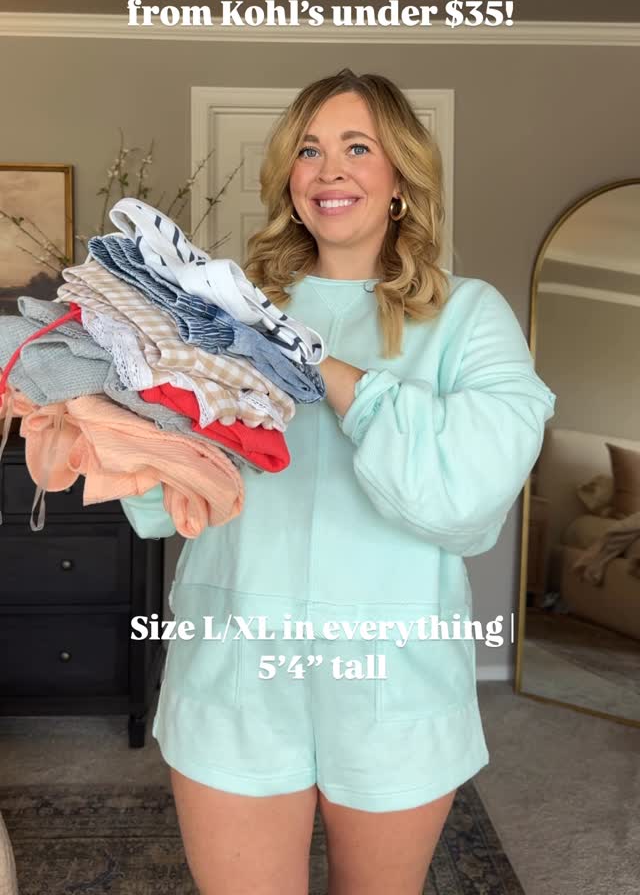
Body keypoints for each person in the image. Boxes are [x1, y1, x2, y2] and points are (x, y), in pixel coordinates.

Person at [120, 68, 556, 895]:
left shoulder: (469, 314)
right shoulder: (220, 310)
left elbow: (467, 492)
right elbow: (161, 499)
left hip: (393, 673)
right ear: (289, 177)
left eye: (358, 148)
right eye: (309, 150)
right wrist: (110, 418)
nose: (329, 170)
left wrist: (316, 365)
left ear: (401, 179)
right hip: (237, 661)